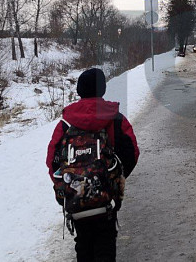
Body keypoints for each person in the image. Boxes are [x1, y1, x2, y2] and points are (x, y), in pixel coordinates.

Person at [46, 68, 139, 262]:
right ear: (102, 89)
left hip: (76, 201)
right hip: (105, 200)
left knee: (83, 245)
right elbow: (131, 152)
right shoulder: (114, 118)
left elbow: (52, 161)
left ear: (79, 90)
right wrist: (115, 181)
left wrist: (67, 188)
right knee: (105, 246)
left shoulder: (65, 123)